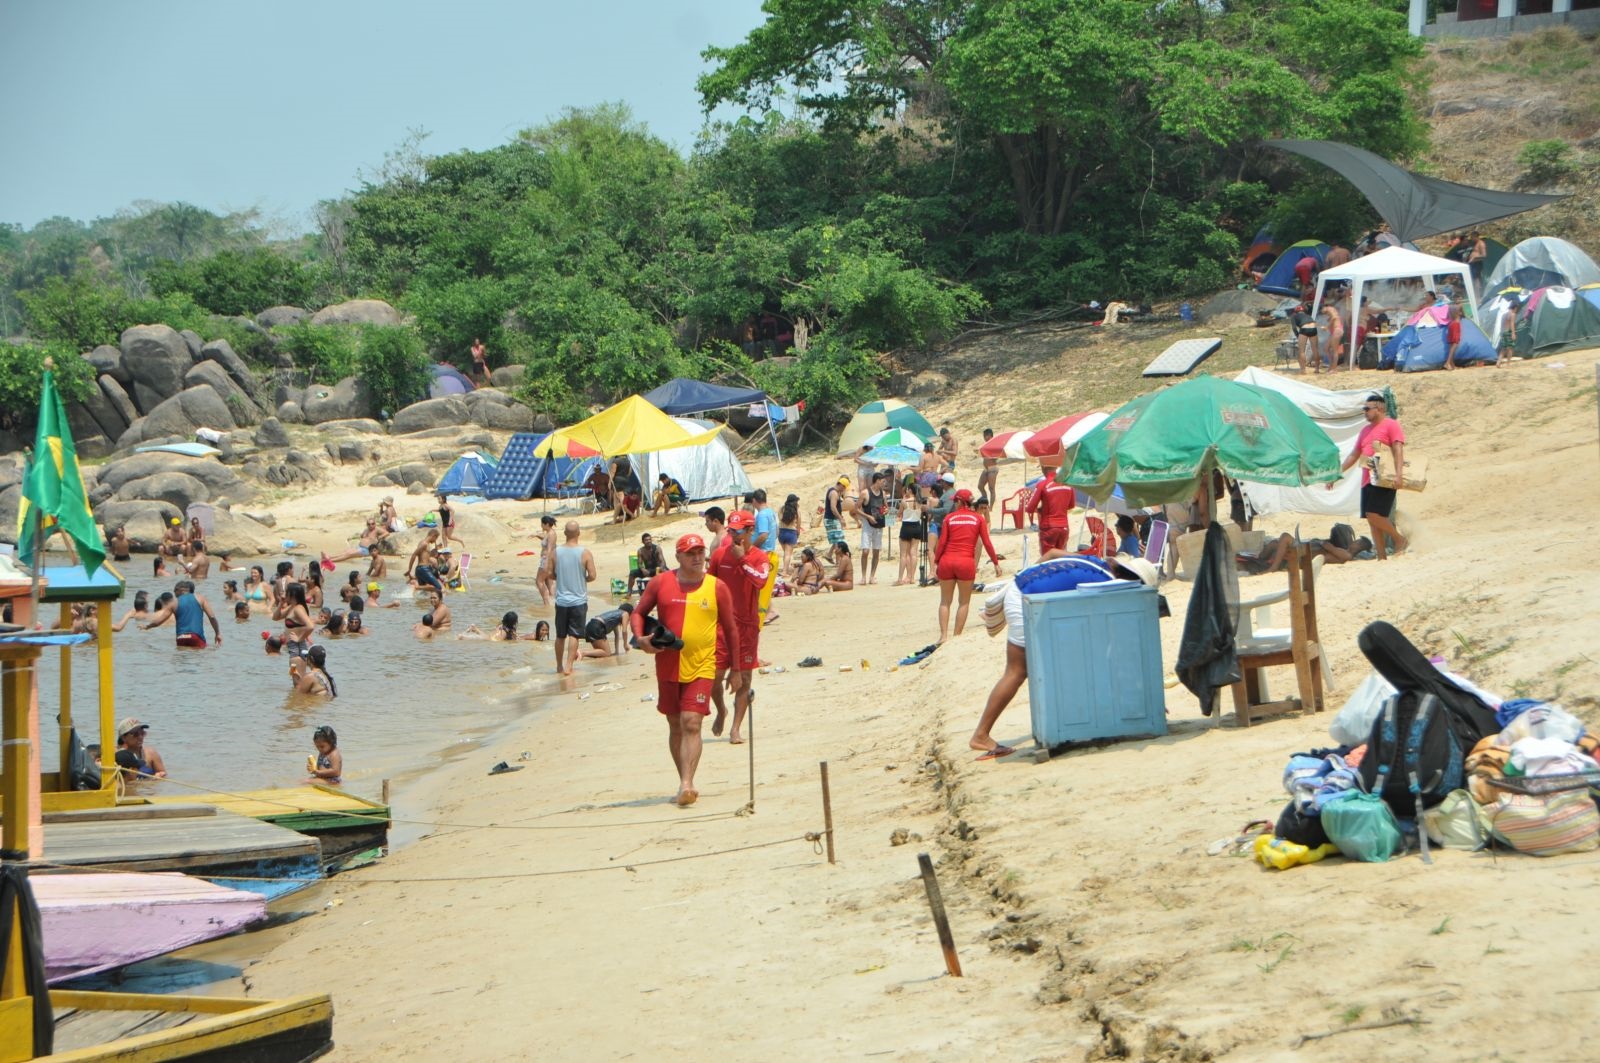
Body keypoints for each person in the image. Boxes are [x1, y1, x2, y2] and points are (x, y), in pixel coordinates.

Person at [969, 555, 1157, 759]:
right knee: (1017, 671)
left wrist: (1036, 578)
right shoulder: (1107, 583)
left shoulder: (1095, 563)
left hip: (1021, 585)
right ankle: (981, 734)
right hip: (1022, 597)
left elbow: (1052, 553)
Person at [630, 533, 739, 807]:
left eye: (700, 552)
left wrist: (736, 669)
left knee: (691, 721)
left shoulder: (717, 587)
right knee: (675, 724)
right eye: (690, 553)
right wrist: (640, 638)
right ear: (677, 557)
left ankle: (687, 783)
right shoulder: (661, 583)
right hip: (667, 665)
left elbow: (731, 629)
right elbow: (638, 613)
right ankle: (684, 781)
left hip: (702, 664)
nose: (697, 557)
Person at [710, 511, 769, 744]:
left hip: (746, 626)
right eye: (731, 530)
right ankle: (721, 710)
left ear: (749, 531)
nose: (734, 535)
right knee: (714, 677)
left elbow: (761, 581)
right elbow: (709, 585)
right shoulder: (719, 555)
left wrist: (742, 559)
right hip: (721, 626)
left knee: (745, 678)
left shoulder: (759, 557)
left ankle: (736, 728)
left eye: (739, 531)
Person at [1332, 393, 1408, 561]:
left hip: (1384, 477)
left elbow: (1397, 448)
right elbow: (1354, 455)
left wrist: (1398, 474)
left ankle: (1399, 539)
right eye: (1364, 409)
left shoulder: (1391, 425)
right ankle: (1381, 556)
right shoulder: (1365, 430)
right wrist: (1338, 473)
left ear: (1379, 408)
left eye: (1367, 409)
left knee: (1373, 514)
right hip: (1368, 478)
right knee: (1372, 520)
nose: (1365, 412)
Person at [935, 489, 1001, 644]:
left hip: (947, 560)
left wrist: (937, 562)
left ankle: (943, 636)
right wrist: (996, 563)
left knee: (945, 601)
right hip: (965, 562)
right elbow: (986, 543)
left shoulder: (949, 518)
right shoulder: (978, 519)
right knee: (963, 602)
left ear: (959, 502)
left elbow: (942, 543)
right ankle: (956, 637)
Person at [546, 520, 596, 676]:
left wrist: (560, 577)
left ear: (565, 534)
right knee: (574, 634)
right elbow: (592, 575)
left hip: (561, 601)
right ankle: (569, 666)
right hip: (578, 600)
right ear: (579, 533)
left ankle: (559, 666)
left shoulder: (555, 553)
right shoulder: (585, 553)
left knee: (560, 635)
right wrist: (582, 579)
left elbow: (549, 574)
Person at [143, 579, 222, 649]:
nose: (175, 595)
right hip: (196, 636)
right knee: (199, 659)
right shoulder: (200, 598)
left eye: (175, 592)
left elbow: (159, 621)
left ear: (179, 590)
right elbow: (212, 617)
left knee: (182, 661)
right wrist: (217, 633)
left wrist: (147, 626)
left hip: (181, 637)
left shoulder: (173, 603)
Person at [1026, 472, 1076, 555]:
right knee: (1060, 558)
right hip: (1064, 527)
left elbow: (1030, 508)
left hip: (1049, 527)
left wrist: (1040, 510)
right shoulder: (1068, 484)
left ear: (1043, 468)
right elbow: (1071, 505)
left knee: (1047, 559)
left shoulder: (1042, 484)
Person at [858, 472, 888, 584]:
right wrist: (867, 516)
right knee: (865, 551)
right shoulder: (865, 493)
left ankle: (872, 576)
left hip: (879, 523)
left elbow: (885, 506)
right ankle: (863, 576)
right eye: (882, 481)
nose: (884, 483)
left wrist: (886, 511)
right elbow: (856, 508)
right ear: (877, 481)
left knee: (876, 551)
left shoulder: (883, 493)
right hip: (867, 524)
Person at [895, 481, 924, 585]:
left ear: (910, 490)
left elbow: (899, 514)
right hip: (917, 526)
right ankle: (912, 577)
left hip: (906, 526)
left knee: (903, 554)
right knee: (914, 553)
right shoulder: (920, 502)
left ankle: (900, 578)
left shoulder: (904, 502)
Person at [407, 530, 445, 596]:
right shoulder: (424, 543)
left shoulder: (425, 544)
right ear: (433, 536)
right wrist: (409, 570)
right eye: (436, 538)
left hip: (422, 569)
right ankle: (417, 587)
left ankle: (423, 605)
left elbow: (425, 556)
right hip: (423, 569)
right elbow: (414, 554)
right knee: (438, 587)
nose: (435, 541)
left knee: (424, 594)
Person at [777, 494, 803, 577]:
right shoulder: (796, 510)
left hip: (781, 532)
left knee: (786, 553)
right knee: (788, 554)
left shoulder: (782, 508)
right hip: (791, 532)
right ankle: (785, 571)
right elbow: (799, 523)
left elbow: (780, 518)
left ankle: (788, 569)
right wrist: (798, 532)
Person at [535, 515, 558, 604]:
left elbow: (549, 548)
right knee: (548, 581)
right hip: (548, 560)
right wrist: (537, 535)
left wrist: (546, 563)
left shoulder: (551, 534)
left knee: (539, 581)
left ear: (546, 524)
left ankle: (546, 602)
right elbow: (545, 538)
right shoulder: (549, 533)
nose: (541, 525)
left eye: (542, 524)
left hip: (547, 559)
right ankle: (552, 601)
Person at [823, 477, 848, 549]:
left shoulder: (834, 492)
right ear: (841, 485)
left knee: (837, 540)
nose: (844, 489)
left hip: (833, 519)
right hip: (831, 519)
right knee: (838, 541)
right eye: (844, 487)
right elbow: (833, 508)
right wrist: (841, 519)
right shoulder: (834, 493)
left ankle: (829, 554)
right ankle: (837, 558)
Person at [1320, 300, 1345, 371]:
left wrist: (1327, 327)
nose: (1323, 313)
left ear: (1324, 307)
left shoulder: (1329, 309)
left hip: (1337, 330)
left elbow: (1334, 317)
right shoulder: (1331, 311)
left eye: (1322, 311)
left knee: (1335, 350)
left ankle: (1334, 368)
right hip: (1334, 331)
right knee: (1326, 348)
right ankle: (1331, 365)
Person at [978, 428, 1000, 507]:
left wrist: (987, 454)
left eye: (985, 436)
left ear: (990, 436)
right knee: (980, 486)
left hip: (992, 468)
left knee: (991, 488)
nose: (984, 438)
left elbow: (996, 457)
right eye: (984, 436)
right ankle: (985, 502)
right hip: (986, 468)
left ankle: (991, 507)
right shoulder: (986, 444)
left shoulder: (994, 444)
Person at [1443, 304, 1464, 370]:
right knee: (1455, 343)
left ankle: (1452, 364)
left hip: (1451, 324)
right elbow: (1462, 313)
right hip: (1456, 325)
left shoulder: (1451, 308)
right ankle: (1448, 362)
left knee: (1452, 344)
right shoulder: (1458, 307)